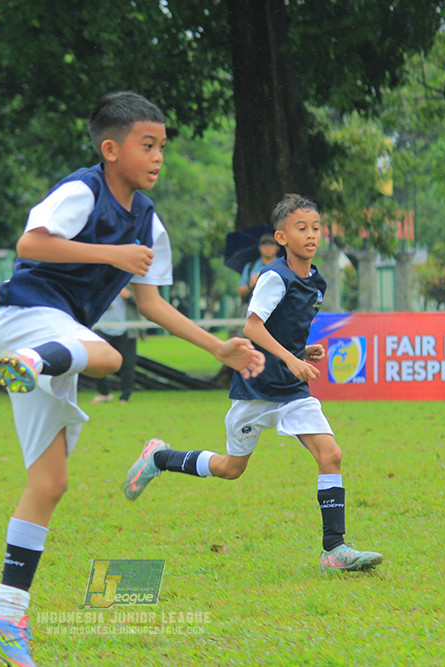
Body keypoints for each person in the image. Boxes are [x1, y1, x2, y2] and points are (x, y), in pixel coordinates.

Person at [0, 91, 265, 667]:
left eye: (162, 147)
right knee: (108, 357)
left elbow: (152, 304)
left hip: (56, 340)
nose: (158, 157)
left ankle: (3, 614)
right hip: (27, 315)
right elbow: (31, 243)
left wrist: (219, 347)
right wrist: (111, 255)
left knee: (50, 483)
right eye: (147, 145)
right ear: (110, 149)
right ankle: (28, 364)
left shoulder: (149, 223)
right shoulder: (84, 191)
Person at [123, 193, 383, 574]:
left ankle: (334, 549)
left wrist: (301, 351)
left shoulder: (317, 282)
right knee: (231, 468)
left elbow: (282, 329)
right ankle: (160, 458)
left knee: (331, 455)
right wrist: (291, 358)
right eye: (301, 228)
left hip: (292, 392)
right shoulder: (274, 278)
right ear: (282, 237)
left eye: (316, 228)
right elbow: (252, 327)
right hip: (256, 388)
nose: (311, 235)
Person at [91, 287, 138, 403]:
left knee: (127, 364)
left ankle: (125, 396)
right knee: (98, 363)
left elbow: (146, 303)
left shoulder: (129, 285)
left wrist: (128, 296)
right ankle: (104, 393)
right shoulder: (99, 284)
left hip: (126, 330)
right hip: (102, 329)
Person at [238, 234, 280, 301]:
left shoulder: (285, 266)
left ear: (277, 248)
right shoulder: (250, 267)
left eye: (271, 244)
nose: (267, 247)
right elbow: (241, 292)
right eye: (264, 244)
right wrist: (250, 285)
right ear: (259, 248)